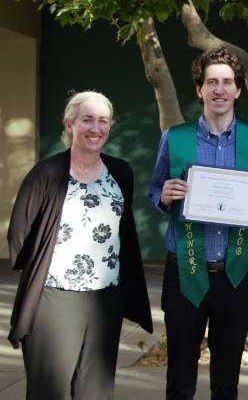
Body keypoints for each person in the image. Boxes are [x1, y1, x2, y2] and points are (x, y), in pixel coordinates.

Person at [148, 47, 248, 399]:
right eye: (211, 82)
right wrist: (164, 196)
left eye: (227, 82)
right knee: (180, 378)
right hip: (185, 269)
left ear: (237, 90)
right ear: (200, 90)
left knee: (226, 379)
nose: (219, 89)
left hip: (235, 272)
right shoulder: (175, 137)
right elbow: (155, 191)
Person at [7, 91, 153, 399]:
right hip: (55, 299)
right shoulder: (46, 173)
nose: (95, 128)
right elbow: (19, 235)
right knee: (50, 390)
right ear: (70, 124)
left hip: (105, 301)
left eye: (103, 121)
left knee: (95, 391)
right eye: (87, 120)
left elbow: (123, 231)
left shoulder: (121, 172)